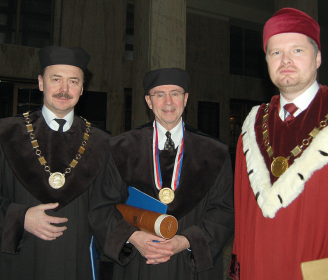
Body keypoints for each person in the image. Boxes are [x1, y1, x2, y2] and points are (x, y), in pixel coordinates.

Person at [229, 7, 328, 280]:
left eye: (297, 50)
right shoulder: (251, 128)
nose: (285, 60)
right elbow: (243, 217)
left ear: (318, 57)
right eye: (276, 53)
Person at [89, 68, 234, 279]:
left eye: (175, 93)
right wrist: (134, 238)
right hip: (137, 263)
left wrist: (184, 242)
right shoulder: (121, 148)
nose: (168, 102)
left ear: (185, 99)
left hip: (189, 264)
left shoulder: (214, 153)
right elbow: (101, 209)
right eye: (159, 94)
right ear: (148, 101)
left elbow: (224, 212)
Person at [0, 46, 110, 279]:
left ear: (82, 88)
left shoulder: (102, 143)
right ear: (41, 83)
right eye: (56, 79)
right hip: (18, 260)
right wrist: (19, 217)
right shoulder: (6, 134)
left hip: (76, 262)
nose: (64, 89)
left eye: (73, 81)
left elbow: (108, 210)